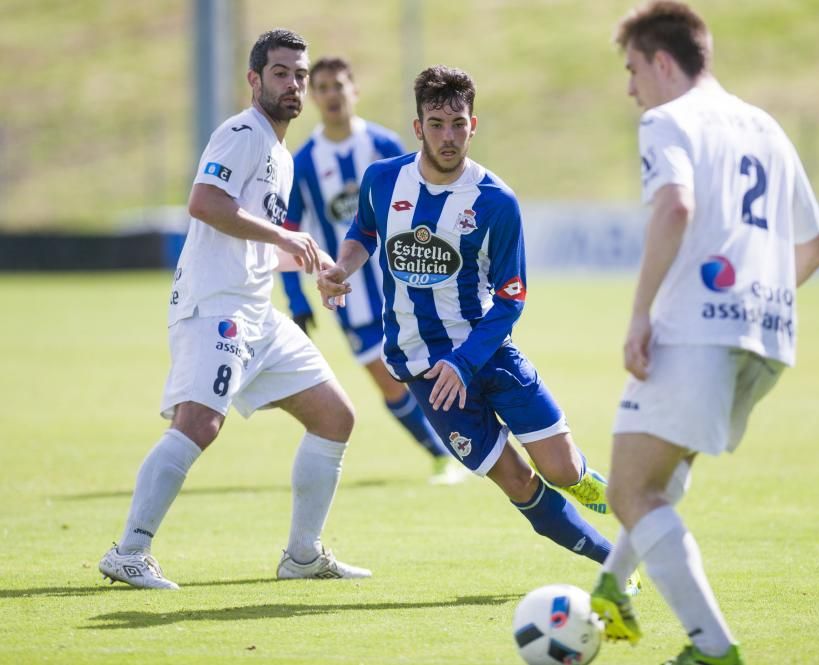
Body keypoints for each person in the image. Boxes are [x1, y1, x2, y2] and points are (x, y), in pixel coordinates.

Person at [316, 65, 639, 588]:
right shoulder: (382, 180)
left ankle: (596, 490)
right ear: (417, 127)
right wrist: (341, 267)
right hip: (425, 372)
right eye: (437, 123)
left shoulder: (495, 201)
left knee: (560, 470)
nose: (448, 136)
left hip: (486, 356)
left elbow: (511, 299)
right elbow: (363, 231)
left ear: (474, 125)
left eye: (458, 124)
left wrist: (464, 361)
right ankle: (614, 562)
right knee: (516, 480)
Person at [588, 3, 819, 664]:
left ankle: (713, 649)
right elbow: (814, 248)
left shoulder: (667, 120)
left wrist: (641, 315)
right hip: (768, 333)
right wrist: (752, 304)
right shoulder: (768, 126)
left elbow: (676, 204)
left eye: (634, 69)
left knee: (629, 489)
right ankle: (613, 582)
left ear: (663, 62)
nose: (632, 87)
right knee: (663, 471)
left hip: (695, 329)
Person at [98, 29, 371, 589]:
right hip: (215, 306)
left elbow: (255, 242)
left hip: (256, 313)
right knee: (199, 423)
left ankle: (301, 556)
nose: (293, 84)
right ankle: (129, 551)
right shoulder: (242, 133)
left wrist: (314, 263)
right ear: (254, 80)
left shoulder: (280, 150)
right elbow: (204, 204)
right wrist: (284, 235)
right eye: (281, 73)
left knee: (335, 416)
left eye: (300, 74)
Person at [279, 56, 464, 486]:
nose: (330, 94)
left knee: (436, 369)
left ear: (353, 91)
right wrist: (295, 296)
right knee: (389, 381)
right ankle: (441, 455)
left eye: (337, 85)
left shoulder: (383, 146)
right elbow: (289, 230)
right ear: (313, 97)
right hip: (350, 296)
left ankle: (472, 438)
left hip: (407, 282)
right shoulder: (304, 162)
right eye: (321, 87)